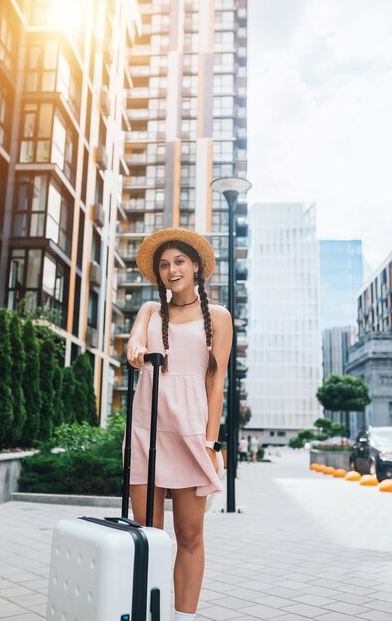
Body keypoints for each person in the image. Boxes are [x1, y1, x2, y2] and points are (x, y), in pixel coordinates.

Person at [126, 227, 232, 621]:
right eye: (165, 264)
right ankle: (145, 614)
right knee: (148, 537)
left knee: (189, 534)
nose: (171, 270)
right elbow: (135, 340)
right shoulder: (151, 311)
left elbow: (215, 381)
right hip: (147, 431)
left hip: (191, 432)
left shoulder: (218, 317)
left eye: (179, 262)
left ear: (196, 267)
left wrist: (211, 442)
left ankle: (183, 617)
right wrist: (136, 349)